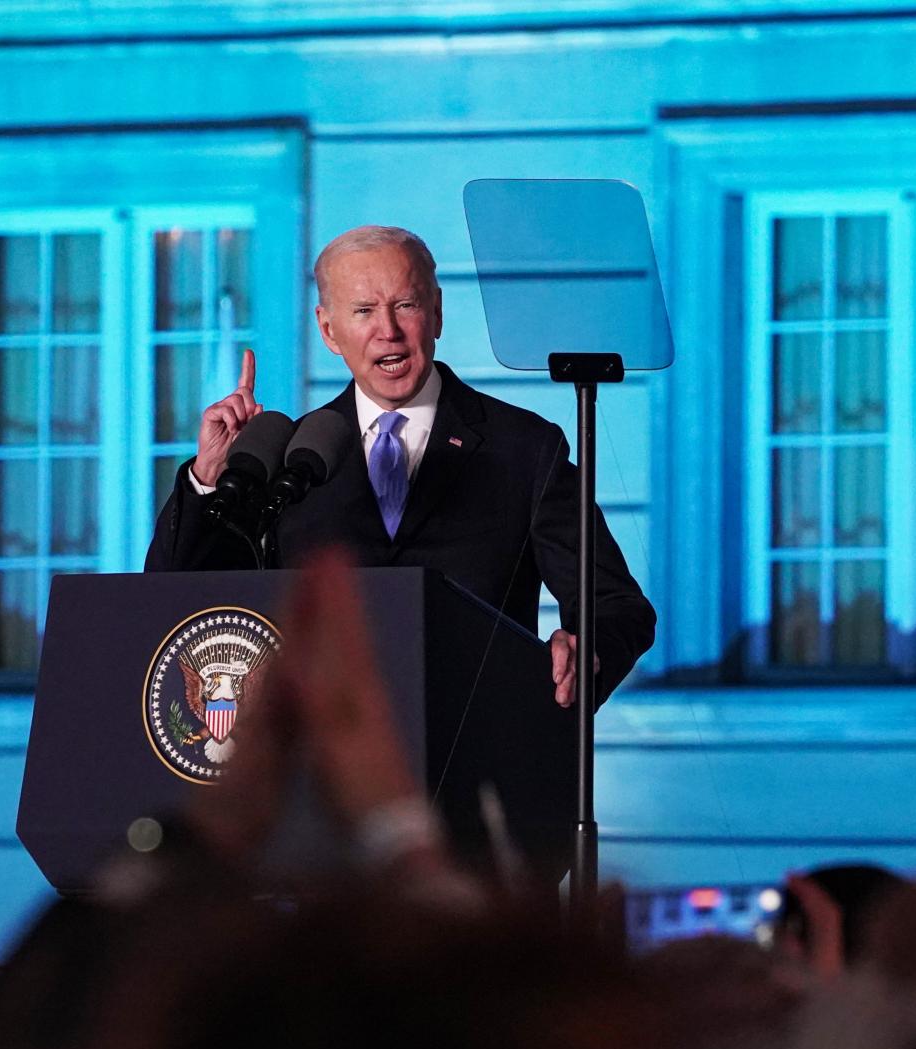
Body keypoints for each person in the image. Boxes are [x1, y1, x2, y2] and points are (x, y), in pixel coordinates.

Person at [145, 225, 655, 706]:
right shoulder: (288, 456)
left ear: (435, 313)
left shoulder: (523, 447)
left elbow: (616, 606)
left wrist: (586, 651)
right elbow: (177, 609)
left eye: (405, 305)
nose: (387, 331)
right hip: (327, 776)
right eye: (364, 311)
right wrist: (211, 478)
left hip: (476, 757)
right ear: (328, 329)